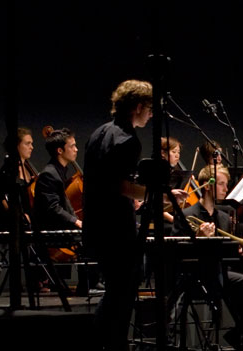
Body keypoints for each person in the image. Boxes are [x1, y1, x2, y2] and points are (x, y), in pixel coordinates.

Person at [83, 79, 186, 350]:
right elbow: (121, 186)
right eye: (150, 109)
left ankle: (107, 342)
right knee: (122, 291)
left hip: (96, 225)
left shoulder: (99, 132)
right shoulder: (128, 141)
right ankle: (112, 344)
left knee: (117, 289)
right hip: (117, 229)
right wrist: (160, 196)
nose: (152, 115)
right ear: (138, 106)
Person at [177, 165, 243, 351]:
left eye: (226, 184)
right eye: (221, 184)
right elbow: (179, 253)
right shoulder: (187, 215)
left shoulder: (224, 218)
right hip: (199, 275)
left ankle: (239, 332)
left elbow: (228, 255)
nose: (226, 189)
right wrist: (200, 239)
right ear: (207, 186)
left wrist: (238, 252)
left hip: (224, 273)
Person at [0, 127, 37, 231]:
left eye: (31, 143)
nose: (31, 147)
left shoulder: (28, 170)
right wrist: (19, 216)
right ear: (17, 146)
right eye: (27, 143)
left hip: (29, 224)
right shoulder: (9, 168)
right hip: (13, 226)